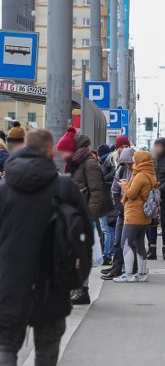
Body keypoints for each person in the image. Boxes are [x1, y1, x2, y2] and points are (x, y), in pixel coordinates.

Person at [0, 129, 92, 366]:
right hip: (53, 283)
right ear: (52, 152)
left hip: (8, 284)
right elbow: (85, 239)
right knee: (47, 353)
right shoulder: (65, 187)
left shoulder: (3, 190)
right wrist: (75, 281)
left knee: (5, 348)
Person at [56, 126, 104, 306]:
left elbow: (97, 193)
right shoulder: (76, 164)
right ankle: (76, 288)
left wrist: (89, 218)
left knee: (82, 254)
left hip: (84, 217)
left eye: (64, 151)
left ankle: (82, 291)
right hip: (74, 216)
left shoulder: (89, 164)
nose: (62, 155)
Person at [114, 151, 158, 283]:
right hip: (144, 216)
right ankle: (142, 273)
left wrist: (124, 185)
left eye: (135, 159)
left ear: (141, 160)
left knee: (125, 243)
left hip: (134, 214)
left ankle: (128, 274)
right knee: (139, 244)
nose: (133, 162)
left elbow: (132, 194)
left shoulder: (140, 176)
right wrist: (129, 183)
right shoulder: (150, 174)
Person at [101, 148, 135, 280]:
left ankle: (130, 268)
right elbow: (114, 188)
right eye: (125, 163)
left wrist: (125, 188)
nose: (128, 165)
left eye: (129, 162)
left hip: (134, 210)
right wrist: (119, 205)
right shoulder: (121, 170)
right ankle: (117, 266)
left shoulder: (138, 172)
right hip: (123, 208)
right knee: (118, 239)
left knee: (130, 241)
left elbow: (132, 192)